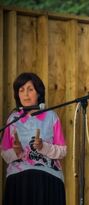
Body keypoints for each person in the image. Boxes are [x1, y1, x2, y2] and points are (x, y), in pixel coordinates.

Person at [1, 72, 67, 205]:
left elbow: (63, 151)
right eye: (21, 90)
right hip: (19, 177)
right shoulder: (13, 119)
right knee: (23, 178)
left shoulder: (51, 116)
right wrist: (16, 151)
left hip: (47, 175)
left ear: (38, 93)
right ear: (17, 95)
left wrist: (44, 147)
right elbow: (5, 154)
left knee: (37, 176)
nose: (25, 94)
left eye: (30, 89)